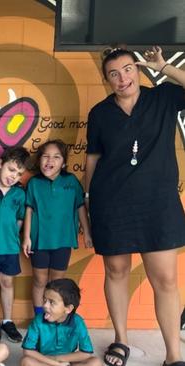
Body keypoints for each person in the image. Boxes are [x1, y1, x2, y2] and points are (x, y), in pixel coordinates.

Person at [85, 45, 185, 366]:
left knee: (166, 280)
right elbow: (92, 160)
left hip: (159, 206)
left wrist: (164, 67)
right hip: (112, 205)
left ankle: (173, 355)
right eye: (113, 74)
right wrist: (87, 205)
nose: (122, 78)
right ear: (107, 80)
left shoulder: (164, 97)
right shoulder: (100, 114)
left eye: (128, 69)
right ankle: (121, 339)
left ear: (139, 70)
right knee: (116, 271)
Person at [22, 140, 92, 316]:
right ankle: (39, 318)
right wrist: (27, 237)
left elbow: (80, 207)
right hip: (39, 241)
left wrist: (88, 232)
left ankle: (53, 316)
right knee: (39, 280)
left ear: (64, 163)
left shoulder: (71, 182)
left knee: (57, 281)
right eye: (45, 156)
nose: (49, 161)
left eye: (56, 157)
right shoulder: (34, 183)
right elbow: (29, 210)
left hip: (63, 240)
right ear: (39, 160)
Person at [0, 146, 29, 343]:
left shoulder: (19, 194)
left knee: (7, 282)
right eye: (11, 170)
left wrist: (12, 236)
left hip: (9, 247)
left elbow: (20, 219)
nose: (13, 176)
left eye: (19, 174)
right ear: (0, 164)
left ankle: (7, 321)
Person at [20, 278, 101, 366]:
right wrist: (55, 363)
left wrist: (57, 359)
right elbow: (27, 351)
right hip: (45, 360)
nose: (45, 305)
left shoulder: (78, 322)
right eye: (44, 300)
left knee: (95, 362)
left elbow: (86, 353)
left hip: (66, 359)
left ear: (68, 309)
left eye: (51, 302)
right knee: (26, 362)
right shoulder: (38, 321)